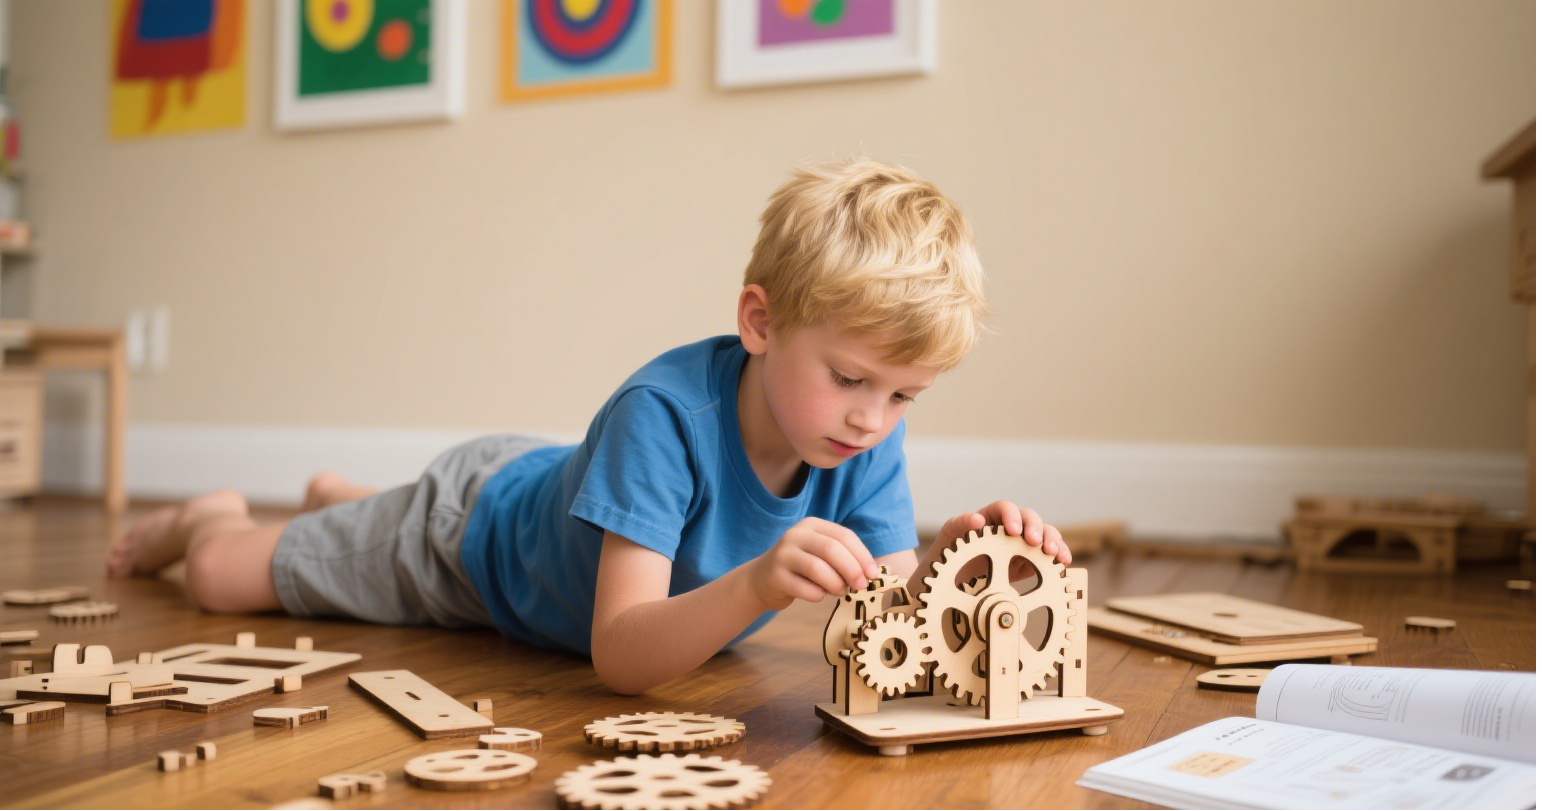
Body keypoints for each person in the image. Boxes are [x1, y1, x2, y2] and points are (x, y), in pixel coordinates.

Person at [108, 158, 1072, 695]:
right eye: (851, 379)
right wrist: (754, 584)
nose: (873, 418)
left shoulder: (862, 433)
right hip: (464, 541)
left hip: (554, 500)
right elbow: (618, 653)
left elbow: (891, 628)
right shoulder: (664, 417)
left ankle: (342, 502)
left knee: (353, 522)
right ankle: (207, 514)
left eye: (905, 396)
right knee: (218, 578)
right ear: (760, 321)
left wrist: (957, 563)